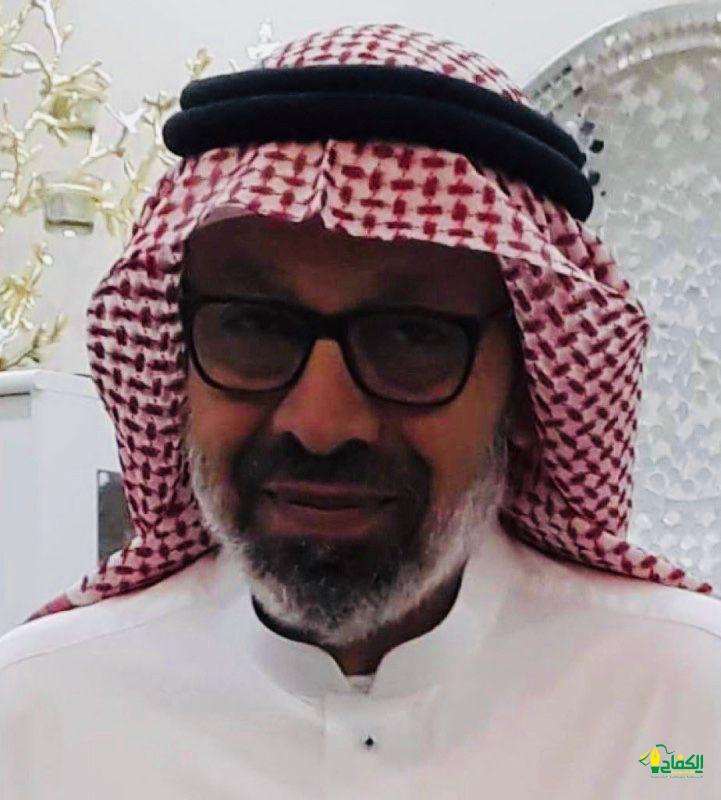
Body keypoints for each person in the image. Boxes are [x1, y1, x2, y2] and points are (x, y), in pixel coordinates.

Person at [1, 23, 719, 799]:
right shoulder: (41, 718)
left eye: (410, 337)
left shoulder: (682, 710)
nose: (320, 423)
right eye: (253, 328)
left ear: (525, 389)